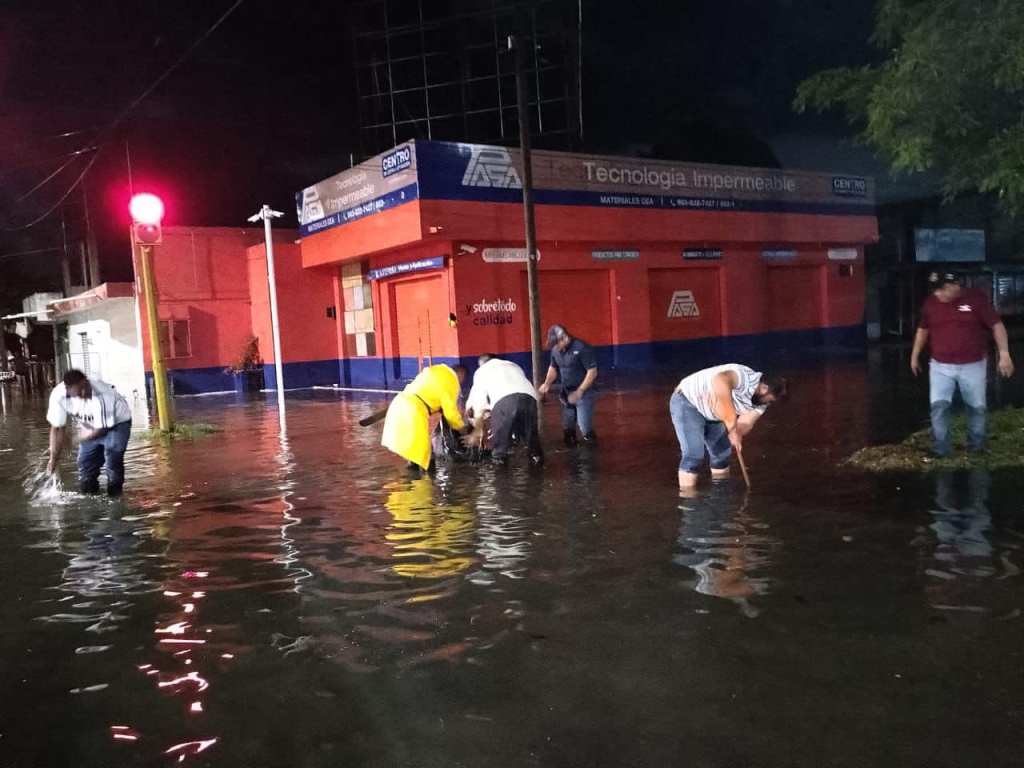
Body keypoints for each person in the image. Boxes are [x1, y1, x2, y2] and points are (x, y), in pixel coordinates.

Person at [910, 271, 1014, 456]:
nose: (938, 294)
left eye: (943, 289)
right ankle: (941, 449)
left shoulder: (976, 299)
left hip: (973, 365)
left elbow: (996, 325)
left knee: (976, 407)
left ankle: (977, 447)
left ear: (955, 286)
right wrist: (914, 355)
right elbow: (922, 329)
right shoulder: (930, 303)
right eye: (936, 290)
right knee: (939, 407)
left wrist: (1004, 354)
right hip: (940, 366)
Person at [671, 364, 788, 489]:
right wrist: (731, 420)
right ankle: (688, 499)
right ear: (764, 388)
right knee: (694, 455)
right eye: (771, 399)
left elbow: (746, 422)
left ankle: (721, 494)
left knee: (722, 454)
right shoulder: (744, 377)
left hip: (714, 414)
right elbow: (720, 379)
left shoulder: (762, 402)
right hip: (688, 401)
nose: (769, 403)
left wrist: (737, 433)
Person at [46, 369, 133, 496]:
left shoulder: (103, 394)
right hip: (90, 425)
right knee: (85, 467)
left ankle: (115, 499)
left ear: (86, 382)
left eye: (84, 388)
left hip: (117, 423)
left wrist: (73, 440)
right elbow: (57, 428)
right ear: (67, 389)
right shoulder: (58, 396)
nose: (83, 393)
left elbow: (101, 429)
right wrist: (53, 459)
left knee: (113, 461)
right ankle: (90, 498)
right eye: (78, 393)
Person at [381, 363, 469, 472]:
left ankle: (411, 478)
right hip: (413, 411)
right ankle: (425, 484)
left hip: (397, 404)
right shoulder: (452, 380)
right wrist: (464, 430)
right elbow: (451, 415)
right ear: (461, 375)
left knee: (414, 452)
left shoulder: (436, 371)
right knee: (424, 455)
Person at [465, 353, 543, 466]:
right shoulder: (513, 365)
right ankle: (538, 465)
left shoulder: (481, 371)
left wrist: (477, 429)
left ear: (481, 365)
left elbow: (478, 402)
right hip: (529, 398)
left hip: (504, 402)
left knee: (499, 450)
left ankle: (501, 477)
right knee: (532, 441)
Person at [537, 324, 598, 446]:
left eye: (556, 343)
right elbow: (553, 368)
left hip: (583, 393)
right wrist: (547, 383)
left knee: (584, 427)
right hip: (566, 393)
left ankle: (592, 451)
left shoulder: (582, 348)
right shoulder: (555, 351)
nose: (554, 347)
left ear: (564, 338)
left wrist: (580, 391)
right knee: (568, 428)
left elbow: (592, 372)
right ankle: (572, 452)